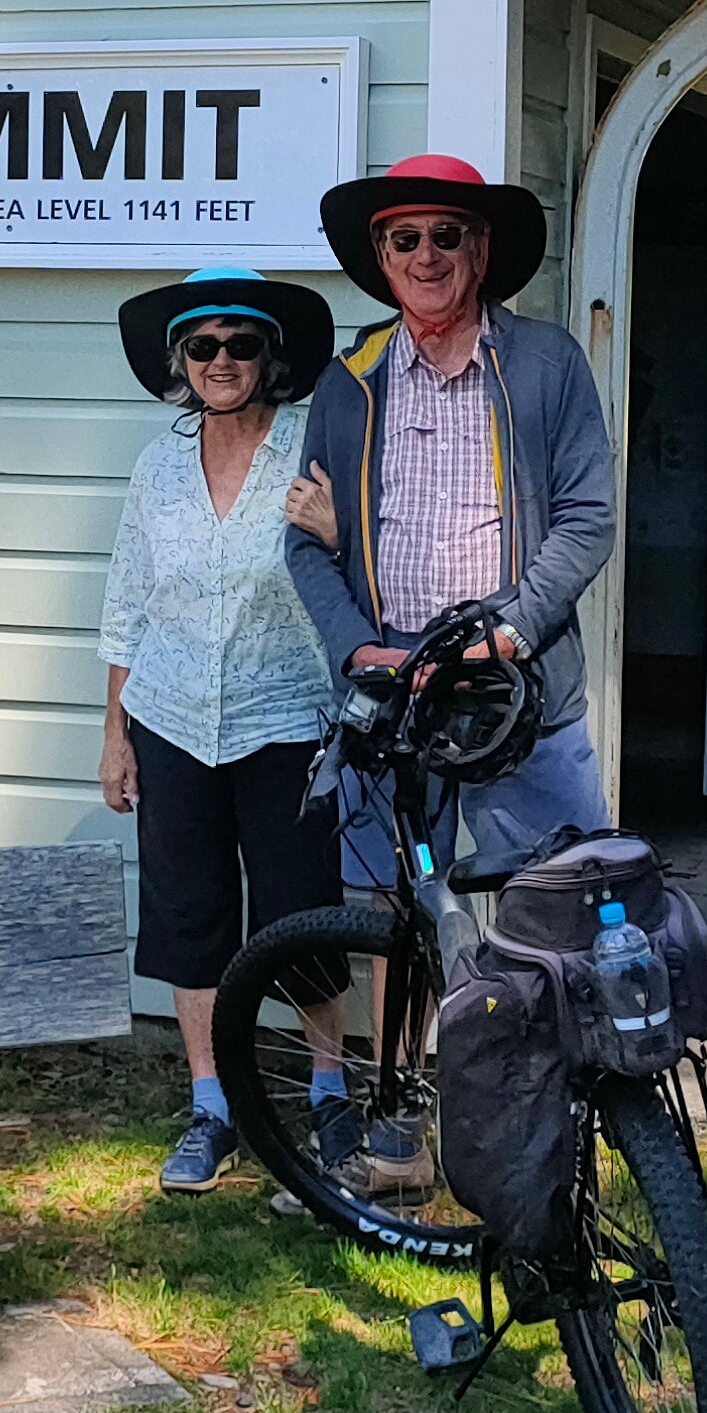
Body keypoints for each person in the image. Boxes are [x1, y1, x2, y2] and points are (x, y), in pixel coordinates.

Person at [282, 156, 618, 1195]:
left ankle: (579, 1133)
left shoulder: (548, 364)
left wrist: (509, 632)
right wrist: (359, 647)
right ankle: (406, 1130)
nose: (424, 256)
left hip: (517, 694)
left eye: (444, 235)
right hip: (399, 700)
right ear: (380, 259)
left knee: (569, 909)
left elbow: (586, 518)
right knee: (405, 921)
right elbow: (303, 543)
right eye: (403, 239)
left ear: (480, 251)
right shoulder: (349, 382)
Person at [96, 268, 349, 1192]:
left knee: (301, 911)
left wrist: (336, 531)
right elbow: (128, 603)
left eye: (241, 344)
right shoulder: (157, 465)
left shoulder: (311, 452)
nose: (222, 360)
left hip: (286, 718)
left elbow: (362, 572)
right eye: (203, 346)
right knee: (187, 913)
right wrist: (115, 731)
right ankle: (212, 1105)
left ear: (269, 357)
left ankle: (329, 1088)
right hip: (169, 720)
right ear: (181, 362)